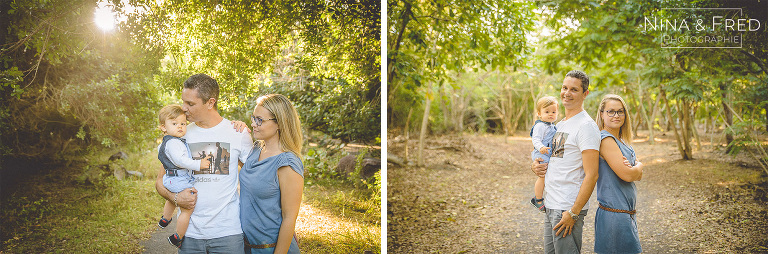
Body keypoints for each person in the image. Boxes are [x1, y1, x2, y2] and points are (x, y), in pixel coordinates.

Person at [154, 74, 253, 252]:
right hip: (189, 235)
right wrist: (175, 198)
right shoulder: (180, 134)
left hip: (228, 233)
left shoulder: (237, 133)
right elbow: (160, 181)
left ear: (210, 102)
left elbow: (255, 179)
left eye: (190, 104)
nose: (184, 109)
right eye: (183, 102)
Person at [531, 70, 600, 253]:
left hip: (567, 208)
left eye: (574, 89)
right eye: (564, 87)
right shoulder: (559, 125)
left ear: (585, 94)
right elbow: (554, 158)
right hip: (551, 203)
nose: (567, 93)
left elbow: (592, 174)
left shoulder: (586, 126)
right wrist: (536, 165)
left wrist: (574, 212)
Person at [240, 94, 304, 253]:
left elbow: (290, 218)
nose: (253, 124)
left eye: (259, 120)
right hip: (247, 247)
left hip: (271, 249)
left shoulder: (287, 163)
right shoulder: (256, 149)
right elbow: (251, 173)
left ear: (280, 123)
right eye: (253, 118)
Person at [155, 104, 213, 247]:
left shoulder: (166, 142)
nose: (180, 127)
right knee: (187, 209)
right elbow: (181, 161)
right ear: (163, 127)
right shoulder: (174, 143)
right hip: (179, 177)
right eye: (174, 124)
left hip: (170, 178)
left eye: (183, 123)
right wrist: (199, 164)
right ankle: (178, 236)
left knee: (172, 199)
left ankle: (165, 218)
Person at [593, 94, 643, 253]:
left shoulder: (621, 140)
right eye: (611, 111)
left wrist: (635, 170)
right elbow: (629, 175)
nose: (616, 115)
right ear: (602, 114)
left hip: (625, 214)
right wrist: (639, 166)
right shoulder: (605, 140)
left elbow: (636, 175)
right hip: (614, 216)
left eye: (620, 111)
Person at [529, 96, 559, 212]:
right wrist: (541, 147)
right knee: (542, 176)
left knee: (546, 176)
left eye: (553, 112)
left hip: (547, 153)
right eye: (547, 112)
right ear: (539, 114)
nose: (551, 114)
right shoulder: (540, 126)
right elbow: (535, 139)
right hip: (541, 153)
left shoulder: (552, 126)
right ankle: (537, 199)